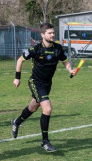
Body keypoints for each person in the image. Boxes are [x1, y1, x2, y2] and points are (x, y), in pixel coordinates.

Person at [11, 23, 75, 152]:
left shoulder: (58, 48)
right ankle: (45, 141)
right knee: (48, 108)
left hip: (47, 84)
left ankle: (16, 122)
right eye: (50, 33)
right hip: (35, 82)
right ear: (42, 35)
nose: (52, 35)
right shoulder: (35, 49)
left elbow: (65, 61)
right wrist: (17, 77)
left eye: (53, 32)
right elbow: (19, 60)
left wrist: (70, 70)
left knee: (33, 107)